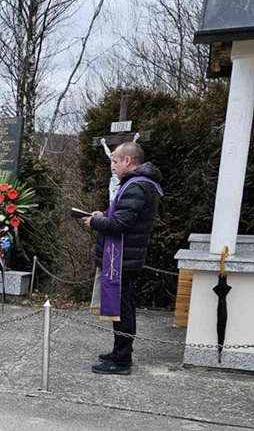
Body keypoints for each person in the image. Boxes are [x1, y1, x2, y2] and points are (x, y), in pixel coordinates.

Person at [82, 142, 163, 375]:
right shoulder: (139, 184)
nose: (112, 166)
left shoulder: (136, 186)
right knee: (123, 307)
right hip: (125, 256)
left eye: (115, 161)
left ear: (128, 161)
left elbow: (121, 224)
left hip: (123, 258)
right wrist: (102, 215)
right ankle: (120, 352)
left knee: (123, 309)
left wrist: (95, 222)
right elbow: (121, 216)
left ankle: (121, 360)